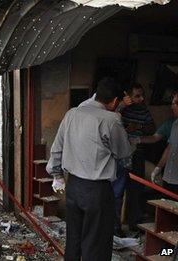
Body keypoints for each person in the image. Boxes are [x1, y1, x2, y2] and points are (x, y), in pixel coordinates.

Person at [46, 77, 132, 261]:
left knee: (74, 240)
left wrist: (57, 174)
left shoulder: (72, 114)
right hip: (97, 191)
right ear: (115, 101)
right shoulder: (111, 120)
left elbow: (57, 148)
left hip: (73, 187)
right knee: (96, 243)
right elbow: (123, 152)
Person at [118, 83, 155, 232]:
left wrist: (138, 127)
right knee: (118, 190)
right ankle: (115, 225)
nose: (141, 99)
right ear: (128, 96)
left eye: (142, 95)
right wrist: (121, 106)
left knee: (136, 188)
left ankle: (134, 222)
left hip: (137, 154)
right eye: (137, 96)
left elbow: (152, 128)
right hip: (121, 154)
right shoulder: (121, 108)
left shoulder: (143, 109)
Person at [151, 94, 178, 194]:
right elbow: (170, 147)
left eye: (174, 104)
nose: (172, 107)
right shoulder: (175, 125)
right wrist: (159, 167)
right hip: (168, 178)